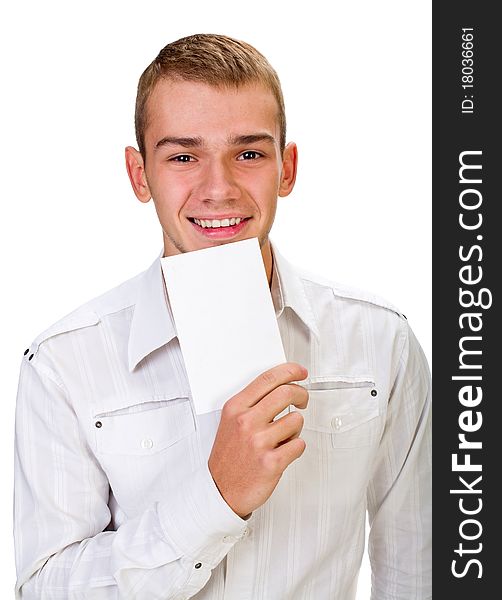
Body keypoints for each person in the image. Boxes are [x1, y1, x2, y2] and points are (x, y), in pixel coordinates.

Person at [14, 34, 431, 599]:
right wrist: (215, 498)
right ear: (140, 176)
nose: (219, 188)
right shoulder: (64, 363)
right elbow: (45, 590)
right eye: (184, 156)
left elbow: (416, 568)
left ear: (287, 168)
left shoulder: (381, 341)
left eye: (249, 154)